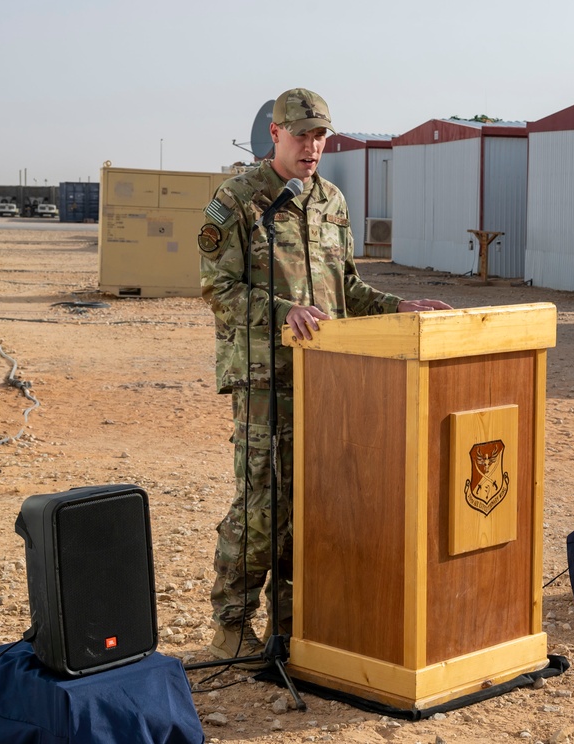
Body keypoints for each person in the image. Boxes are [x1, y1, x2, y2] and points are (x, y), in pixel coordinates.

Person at [198, 88, 451, 668]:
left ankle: (296, 627)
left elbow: (349, 290)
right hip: (266, 380)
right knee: (262, 504)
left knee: (315, 506)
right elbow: (219, 290)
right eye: (301, 134)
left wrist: (398, 309)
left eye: (320, 136)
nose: (312, 146)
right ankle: (232, 630)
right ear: (275, 135)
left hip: (331, 381)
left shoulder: (331, 201)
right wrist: (283, 309)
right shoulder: (239, 200)